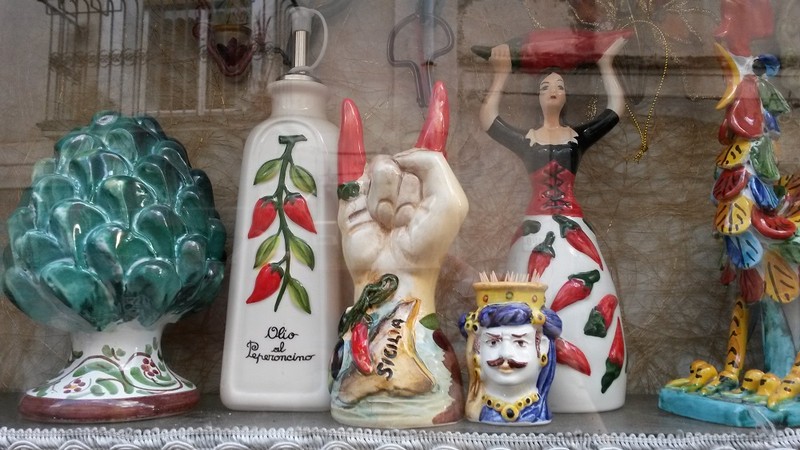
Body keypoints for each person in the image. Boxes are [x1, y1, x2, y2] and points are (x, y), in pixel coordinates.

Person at [478, 37, 628, 413]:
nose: (553, 90)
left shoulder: (576, 138)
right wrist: (501, 73)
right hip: (535, 233)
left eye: (559, 86)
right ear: (538, 97)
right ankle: (523, 388)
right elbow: (490, 120)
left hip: (572, 229)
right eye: (545, 86)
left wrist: (606, 63)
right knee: (527, 305)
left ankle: (588, 392)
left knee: (580, 307)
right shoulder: (527, 141)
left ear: (566, 96)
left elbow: (614, 109)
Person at [460, 302, 561, 424]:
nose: (505, 354)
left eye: (520, 343)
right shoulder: (478, 411)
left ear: (542, 347)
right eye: (493, 343)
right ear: (477, 348)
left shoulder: (539, 412)